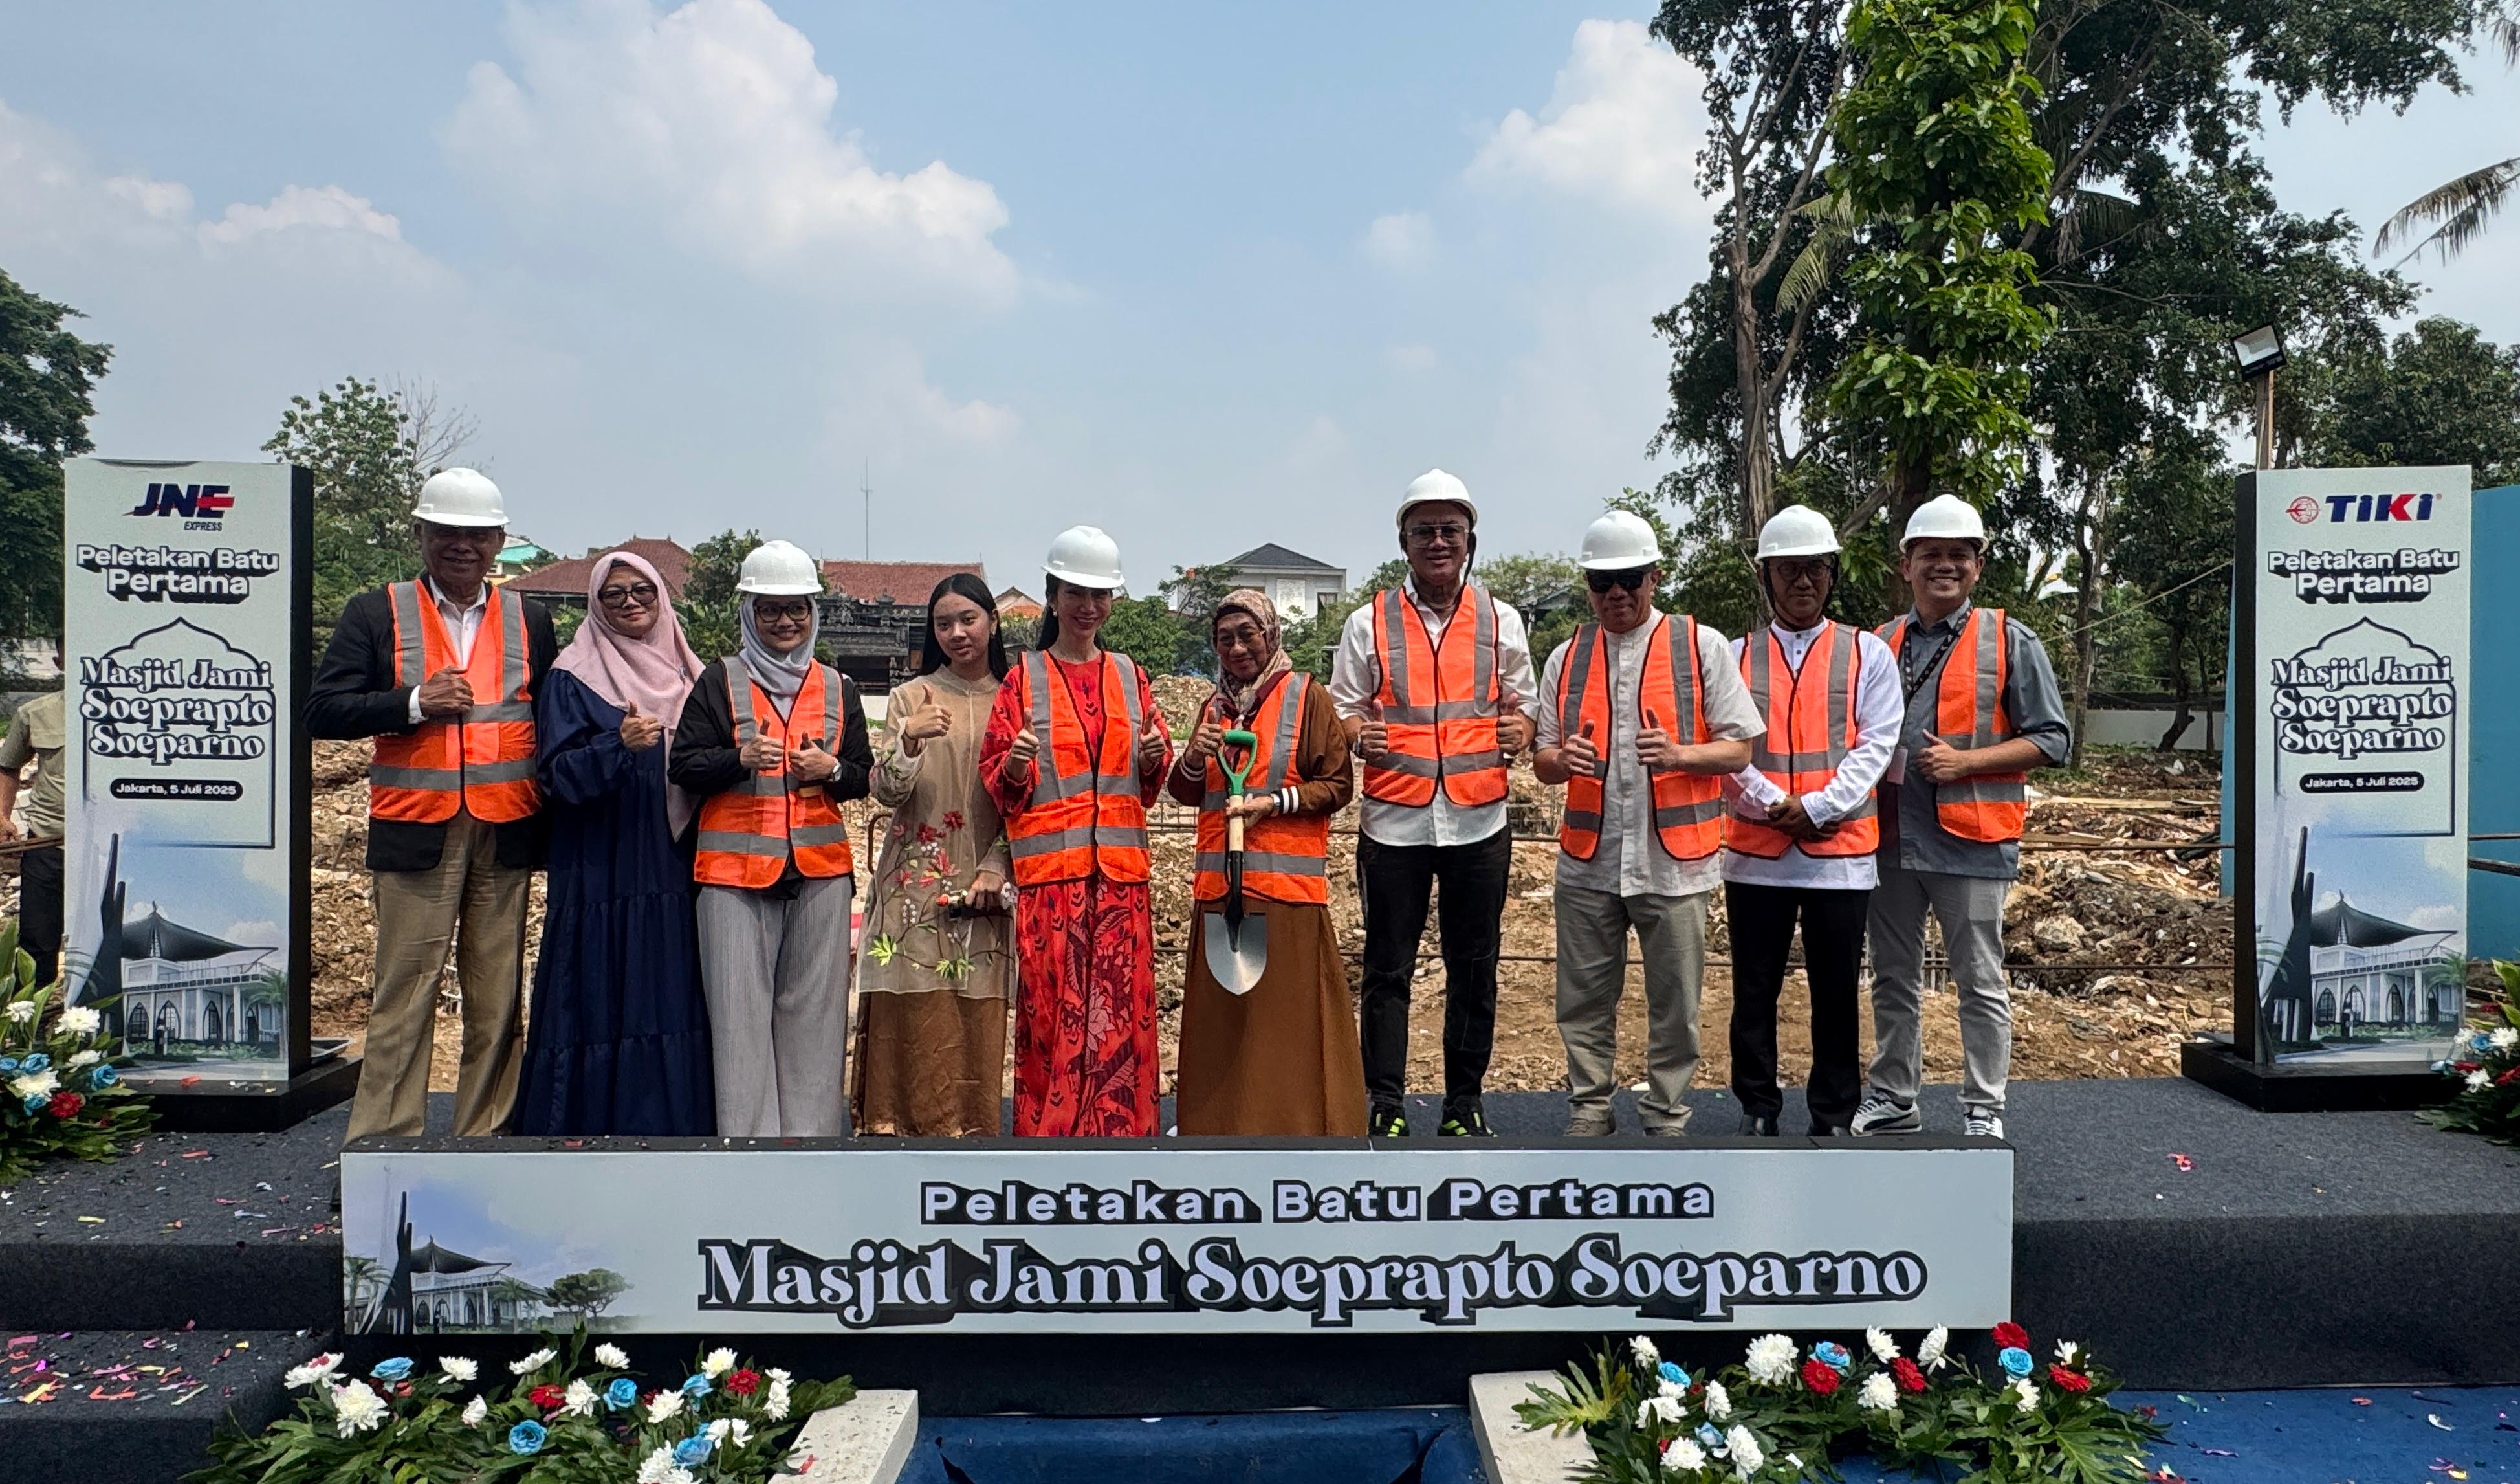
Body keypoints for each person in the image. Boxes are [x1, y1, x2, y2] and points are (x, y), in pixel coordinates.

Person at [307, 469, 557, 1140]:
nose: (462, 546)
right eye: (447, 532)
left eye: (477, 534)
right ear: (420, 533)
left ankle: (485, 1139)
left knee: (498, 995)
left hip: (505, 829)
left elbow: (551, 719)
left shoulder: (530, 618)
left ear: (499, 540)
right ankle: (383, 1146)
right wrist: (414, 703)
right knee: (405, 991)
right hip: (417, 832)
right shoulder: (375, 611)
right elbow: (322, 709)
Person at [1531, 513, 1758, 1137]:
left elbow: (1740, 748)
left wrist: (1682, 755)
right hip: (1589, 860)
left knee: (1676, 1004)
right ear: (1587, 585)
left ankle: (1665, 1113)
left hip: (1675, 862)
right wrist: (1560, 760)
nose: (1616, 595)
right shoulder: (1566, 657)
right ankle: (1589, 1107)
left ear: (1654, 577)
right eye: (1602, 583)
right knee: (1581, 999)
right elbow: (1542, 760)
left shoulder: (1699, 645)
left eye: (1628, 580)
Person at [1852, 495, 2070, 1140]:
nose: (1943, 566)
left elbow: (2053, 739)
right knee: (1892, 975)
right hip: (1889, 839)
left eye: (1957, 555)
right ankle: (1895, 1095)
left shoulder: (2009, 639)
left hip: (1971, 844)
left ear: (1977, 566)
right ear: (1906, 565)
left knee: (1978, 978)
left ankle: (1983, 1108)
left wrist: (1967, 762)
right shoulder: (1878, 643)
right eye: (1930, 555)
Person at [1330, 469, 1538, 1139]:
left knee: (1473, 966)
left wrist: (1524, 730)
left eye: (1450, 529)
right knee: (1387, 967)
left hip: (1479, 818)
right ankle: (1385, 1103)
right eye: (1425, 531)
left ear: (1470, 539)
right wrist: (1358, 732)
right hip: (1395, 821)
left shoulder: (1501, 620)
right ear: (1404, 542)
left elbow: (1525, 707)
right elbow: (1342, 711)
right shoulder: (1369, 622)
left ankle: (1463, 1103)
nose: (1439, 541)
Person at [669, 540, 872, 1138]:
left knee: (816, 1014)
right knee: (739, 1018)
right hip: (733, 878)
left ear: (814, 614)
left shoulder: (838, 687)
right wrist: (738, 757)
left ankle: (808, 1142)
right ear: (749, 615)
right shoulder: (718, 681)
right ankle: (748, 1147)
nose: (785, 622)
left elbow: (859, 774)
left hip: (820, 872)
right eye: (770, 610)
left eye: (797, 609)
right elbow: (684, 764)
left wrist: (830, 771)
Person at [980, 526, 1174, 1138]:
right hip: (1051, 885)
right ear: (1053, 596)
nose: (1088, 607)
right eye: (1075, 593)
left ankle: (1124, 1136)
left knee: (1122, 1018)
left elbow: (1147, 782)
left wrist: (1152, 757)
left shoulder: (1130, 675)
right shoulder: (1024, 679)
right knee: (1051, 1014)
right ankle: (1049, 1139)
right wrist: (1012, 766)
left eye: (1100, 595)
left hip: (1119, 881)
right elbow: (999, 779)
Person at [514, 550, 715, 1136]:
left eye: (642, 592)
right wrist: (617, 746)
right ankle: (589, 1126)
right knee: (603, 987)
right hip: (602, 861)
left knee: (669, 990)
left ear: (662, 598)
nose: (630, 604)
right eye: (614, 595)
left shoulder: (690, 674)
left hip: (674, 859)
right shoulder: (572, 676)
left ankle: (673, 1129)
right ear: (594, 604)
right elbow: (554, 776)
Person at [1720, 506, 1901, 1137]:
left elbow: (1875, 744)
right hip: (1755, 858)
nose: (1803, 581)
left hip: (1841, 858)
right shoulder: (1734, 657)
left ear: (1832, 574)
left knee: (1835, 996)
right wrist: (1779, 805)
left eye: (1816, 569)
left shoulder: (1866, 654)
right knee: (1753, 994)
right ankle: (1757, 1107)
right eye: (1789, 570)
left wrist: (1818, 808)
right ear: (1765, 576)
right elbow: (1727, 749)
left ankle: (1832, 1113)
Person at [1168, 588, 1367, 1136]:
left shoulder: (1307, 696)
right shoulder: (1212, 708)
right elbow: (1187, 792)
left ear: (1271, 635)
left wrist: (1273, 803)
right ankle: (1217, 1131)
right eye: (1225, 638)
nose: (1236, 648)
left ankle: (1297, 1128)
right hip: (1219, 894)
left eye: (1247, 635)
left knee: (1288, 1027)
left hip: (1286, 893)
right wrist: (1191, 755)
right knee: (1223, 1032)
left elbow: (1338, 784)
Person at [852, 574, 1016, 1138]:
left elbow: (1031, 801)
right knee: (912, 1014)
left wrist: (999, 862)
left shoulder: (1016, 698)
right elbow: (886, 791)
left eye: (967, 619)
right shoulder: (909, 697)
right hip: (914, 883)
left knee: (977, 1017)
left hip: (988, 884)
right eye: (943, 623)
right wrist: (908, 741)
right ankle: (892, 1139)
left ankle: (970, 1152)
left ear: (992, 622)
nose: (956, 633)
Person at [0, 650, 65, 989]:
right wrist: (1, 815)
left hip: (113, 848)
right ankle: (33, 1027)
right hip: (50, 843)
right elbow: (9, 766)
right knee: (38, 941)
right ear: (60, 661)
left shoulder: (135, 713)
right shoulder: (36, 713)